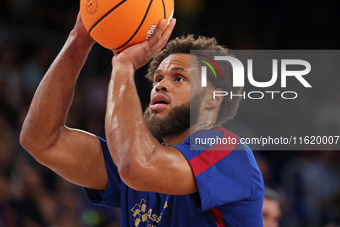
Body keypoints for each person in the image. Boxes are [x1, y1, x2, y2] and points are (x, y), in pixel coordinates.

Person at [20, 13, 264, 226]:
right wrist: (79, 40)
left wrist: (123, 65)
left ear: (213, 98)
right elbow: (41, 140)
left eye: (178, 78)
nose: (161, 85)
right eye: (157, 79)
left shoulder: (227, 151)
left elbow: (137, 166)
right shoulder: (138, 156)